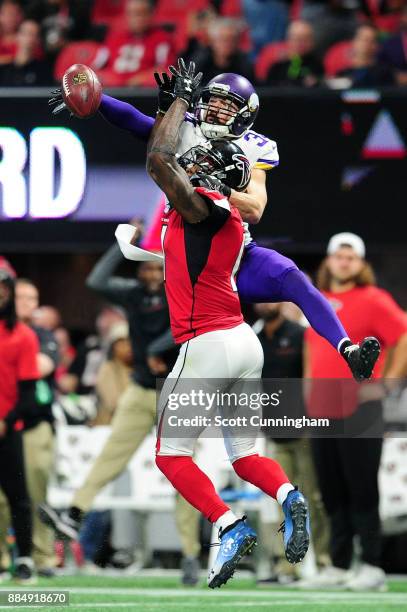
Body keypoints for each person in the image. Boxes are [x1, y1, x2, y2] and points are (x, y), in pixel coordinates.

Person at [51, 69, 381, 381]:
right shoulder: (184, 127)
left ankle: (347, 350)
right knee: (200, 347)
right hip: (190, 244)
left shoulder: (254, 147)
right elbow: (135, 122)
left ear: (245, 114)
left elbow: (255, 208)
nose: (215, 110)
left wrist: (222, 188)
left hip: (233, 250)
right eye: (213, 101)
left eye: (227, 106)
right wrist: (96, 99)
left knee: (292, 278)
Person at [146, 59, 310, 589]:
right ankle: (289, 496)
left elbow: (159, 161)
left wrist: (176, 105)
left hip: (207, 341)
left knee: (170, 455)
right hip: (243, 341)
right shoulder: (231, 218)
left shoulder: (199, 205)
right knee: (244, 457)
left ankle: (229, 524)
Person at [39, 240, 201, 586]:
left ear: (168, 269)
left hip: (178, 389)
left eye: (158, 267)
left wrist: (158, 348)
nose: (153, 273)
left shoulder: (184, 290)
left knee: (184, 472)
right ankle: (74, 514)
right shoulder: (133, 294)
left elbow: (193, 325)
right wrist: (119, 245)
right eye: (146, 267)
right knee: (110, 456)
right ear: (138, 270)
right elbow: (96, 280)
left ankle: (189, 553)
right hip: (141, 388)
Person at [304, 232, 407, 591]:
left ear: (361, 264)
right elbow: (312, 349)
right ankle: (339, 564)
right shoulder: (315, 301)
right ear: (328, 261)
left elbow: (404, 335)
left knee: (362, 489)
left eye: (351, 257)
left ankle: (373, 566)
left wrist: (389, 382)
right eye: (338, 256)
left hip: (361, 407)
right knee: (331, 491)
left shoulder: (375, 299)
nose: (344, 262)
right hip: (321, 407)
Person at [254, 302, 330, 584]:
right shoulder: (254, 339)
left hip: (305, 431)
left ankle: (324, 562)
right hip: (274, 432)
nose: (266, 304)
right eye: (261, 299)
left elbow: (313, 375)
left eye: (271, 299)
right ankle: (286, 567)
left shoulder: (301, 334)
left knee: (315, 497)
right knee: (279, 500)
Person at [13, 278, 58, 576]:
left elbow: (42, 366)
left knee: (36, 492)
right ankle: (4, 559)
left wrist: (11, 358)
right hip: (6, 423)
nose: (31, 303)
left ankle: (43, 557)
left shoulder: (42, 334)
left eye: (34, 298)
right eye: (24, 297)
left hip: (35, 423)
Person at [0, 259, 37, 584]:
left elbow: (28, 391)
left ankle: (24, 557)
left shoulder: (23, 336)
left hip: (8, 428)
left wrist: (6, 421)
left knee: (18, 495)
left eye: (3, 289)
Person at [99, 0, 176, 86]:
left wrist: (140, 79)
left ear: (151, 14)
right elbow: (98, 65)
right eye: (132, 14)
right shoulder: (114, 37)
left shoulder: (161, 38)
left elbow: (164, 69)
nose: (136, 19)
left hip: (141, 90)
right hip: (113, 86)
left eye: (141, 13)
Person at [189, 17, 254, 84]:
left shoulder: (244, 64)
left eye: (233, 39)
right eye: (224, 39)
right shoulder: (199, 63)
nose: (228, 44)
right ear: (212, 41)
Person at [94, 321, 133, 425]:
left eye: (130, 341)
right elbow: (113, 403)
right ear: (113, 346)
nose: (128, 346)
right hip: (111, 425)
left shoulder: (142, 368)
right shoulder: (107, 369)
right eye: (122, 342)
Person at [264, 20, 324, 87]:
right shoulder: (278, 66)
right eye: (298, 39)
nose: (302, 44)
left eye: (306, 39)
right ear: (288, 40)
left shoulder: (317, 64)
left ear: (312, 42)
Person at [0, 19, 53, 86]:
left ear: (38, 40)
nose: (29, 38)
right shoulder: (4, 69)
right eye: (25, 33)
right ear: (17, 36)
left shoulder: (44, 70)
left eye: (34, 35)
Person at [0, 0, 23, 64]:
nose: (10, 18)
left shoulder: (28, 38)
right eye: (7, 14)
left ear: (20, 17)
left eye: (14, 14)